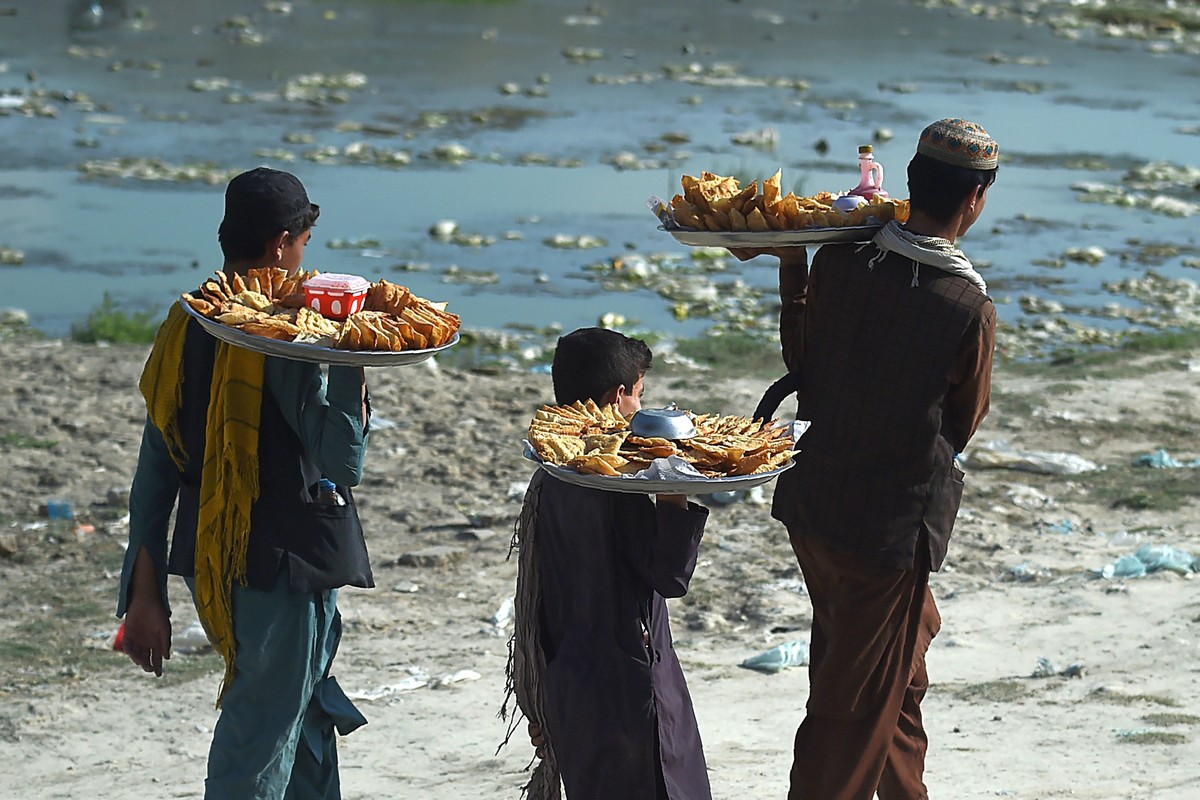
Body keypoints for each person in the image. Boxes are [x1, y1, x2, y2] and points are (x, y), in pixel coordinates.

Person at [733, 118, 999, 800]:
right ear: (976, 200)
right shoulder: (966, 305)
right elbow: (962, 425)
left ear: (911, 185)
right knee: (851, 712)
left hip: (815, 508)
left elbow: (804, 362)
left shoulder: (842, 260)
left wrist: (792, 257)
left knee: (893, 681)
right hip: (883, 535)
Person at [117, 167, 374, 800]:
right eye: (303, 244)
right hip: (284, 571)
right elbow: (343, 464)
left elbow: (155, 473)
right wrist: (350, 362)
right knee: (257, 741)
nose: (303, 260)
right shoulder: (285, 337)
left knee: (305, 719)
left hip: (217, 558)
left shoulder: (188, 325)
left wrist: (144, 595)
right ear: (283, 241)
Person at [502, 327, 712, 800]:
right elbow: (670, 576)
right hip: (631, 690)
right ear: (619, 396)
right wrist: (675, 490)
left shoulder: (551, 477)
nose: (640, 407)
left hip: (573, 685)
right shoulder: (620, 484)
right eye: (640, 395)